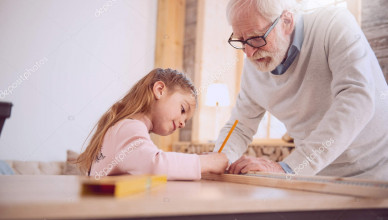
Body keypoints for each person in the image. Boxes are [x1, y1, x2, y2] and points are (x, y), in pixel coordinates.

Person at [214, 0, 388, 180]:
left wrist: (290, 168)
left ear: (287, 21)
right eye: (241, 41)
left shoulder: (334, 25)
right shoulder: (255, 64)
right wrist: (218, 158)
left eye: (257, 38)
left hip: (377, 170)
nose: (248, 53)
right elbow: (240, 126)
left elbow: (357, 98)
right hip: (316, 176)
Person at [76, 68, 228, 180]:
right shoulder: (129, 127)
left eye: (186, 121)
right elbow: (154, 164)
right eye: (182, 109)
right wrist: (206, 162)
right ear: (159, 90)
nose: (182, 123)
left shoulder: (124, 127)